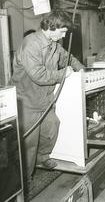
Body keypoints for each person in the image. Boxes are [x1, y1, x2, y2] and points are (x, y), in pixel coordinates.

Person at [11, 11, 85, 183]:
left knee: (52, 126)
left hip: (45, 99)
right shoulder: (31, 44)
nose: (65, 35)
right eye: (63, 31)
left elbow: (68, 58)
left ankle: (42, 156)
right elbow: (38, 75)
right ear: (52, 27)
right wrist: (62, 74)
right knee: (29, 141)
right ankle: (24, 180)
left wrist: (81, 70)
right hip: (27, 100)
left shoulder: (53, 44)